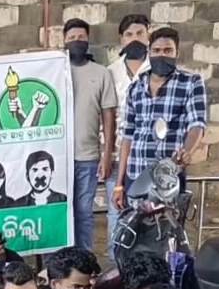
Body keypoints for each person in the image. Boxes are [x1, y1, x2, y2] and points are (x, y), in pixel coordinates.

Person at [113, 27, 207, 210]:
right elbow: (128, 136)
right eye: (156, 50)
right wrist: (119, 184)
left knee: (167, 226)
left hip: (168, 177)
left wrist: (187, 151)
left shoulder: (191, 83)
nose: (161, 55)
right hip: (136, 173)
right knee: (131, 226)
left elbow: (197, 124)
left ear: (177, 53)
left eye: (167, 50)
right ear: (149, 53)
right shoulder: (136, 88)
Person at [63, 18, 117, 251]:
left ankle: (84, 260)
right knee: (60, 213)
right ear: (64, 41)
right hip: (58, 159)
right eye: (72, 38)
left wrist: (106, 155)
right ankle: (59, 262)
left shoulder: (101, 73)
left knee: (84, 213)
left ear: (88, 40)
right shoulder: (56, 71)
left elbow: (108, 117)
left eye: (81, 37)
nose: (76, 41)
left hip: (87, 157)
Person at [105, 14, 151, 256]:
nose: (135, 39)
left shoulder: (158, 69)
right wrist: (105, 155)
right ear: (121, 39)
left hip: (150, 157)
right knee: (118, 212)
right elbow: (105, 117)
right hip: (117, 157)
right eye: (129, 34)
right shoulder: (110, 73)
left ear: (148, 35)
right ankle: (118, 265)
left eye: (140, 33)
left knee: (151, 214)